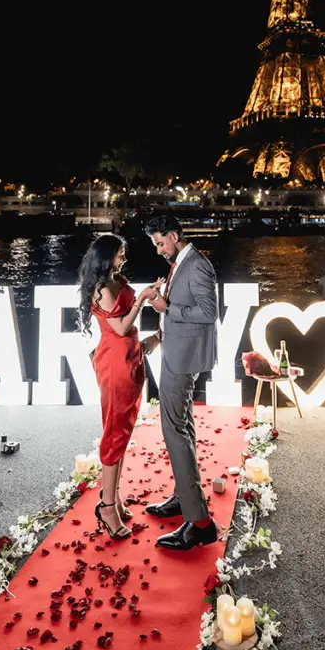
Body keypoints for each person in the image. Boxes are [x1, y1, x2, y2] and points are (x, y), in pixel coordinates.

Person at [78, 233, 164, 540]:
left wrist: (152, 341)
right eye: (119, 253)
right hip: (115, 365)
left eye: (124, 252)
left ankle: (113, 498)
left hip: (130, 359)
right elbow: (120, 327)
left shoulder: (117, 280)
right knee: (114, 434)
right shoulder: (102, 289)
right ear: (106, 257)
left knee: (122, 433)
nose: (124, 257)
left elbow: (129, 333)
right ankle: (107, 506)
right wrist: (142, 299)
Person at [143, 212, 220, 551]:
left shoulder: (198, 265)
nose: (159, 250)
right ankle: (183, 496)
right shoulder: (183, 263)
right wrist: (162, 330)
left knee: (174, 431)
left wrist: (165, 307)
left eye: (160, 242)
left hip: (183, 359)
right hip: (177, 351)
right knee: (182, 428)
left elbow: (209, 312)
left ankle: (199, 522)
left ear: (174, 236)